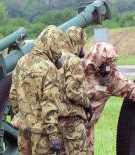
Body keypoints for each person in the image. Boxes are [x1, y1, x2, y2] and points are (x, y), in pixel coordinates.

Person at [83, 42, 135, 155]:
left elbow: (130, 87)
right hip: (66, 120)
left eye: (110, 62)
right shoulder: (76, 69)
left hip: (86, 126)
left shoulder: (111, 78)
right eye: (105, 62)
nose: (108, 66)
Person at [10, 25, 67, 155]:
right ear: (53, 44)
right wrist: (53, 135)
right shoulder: (49, 67)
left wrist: (22, 117)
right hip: (42, 133)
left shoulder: (21, 62)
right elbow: (50, 103)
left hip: (23, 130)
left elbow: (13, 95)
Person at [57, 26, 93, 155]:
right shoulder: (74, 61)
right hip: (72, 120)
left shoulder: (53, 58)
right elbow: (73, 91)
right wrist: (88, 104)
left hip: (54, 120)